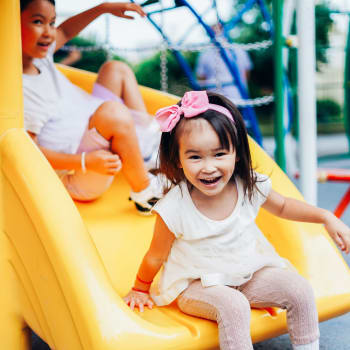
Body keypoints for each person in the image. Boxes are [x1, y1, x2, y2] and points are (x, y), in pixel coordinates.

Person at [123, 90, 350, 350]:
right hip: (196, 285)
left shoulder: (248, 185)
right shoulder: (174, 207)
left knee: (299, 290)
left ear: (237, 153)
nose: (208, 167)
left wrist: (326, 217)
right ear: (178, 160)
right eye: (195, 157)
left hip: (246, 274)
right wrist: (140, 288)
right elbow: (155, 256)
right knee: (234, 306)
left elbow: (285, 206)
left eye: (219, 154)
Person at [20, 0, 162, 214]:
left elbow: (66, 31)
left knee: (115, 69)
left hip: (92, 125)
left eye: (51, 22)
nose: (49, 32)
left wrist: (103, 8)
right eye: (38, 22)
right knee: (112, 113)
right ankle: (144, 192)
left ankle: (146, 146)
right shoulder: (17, 87)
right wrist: (85, 161)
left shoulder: (40, 56)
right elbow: (27, 152)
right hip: (80, 171)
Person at [196, 23, 252, 103]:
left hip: (232, 98)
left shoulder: (205, 53)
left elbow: (201, 78)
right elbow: (246, 73)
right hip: (228, 98)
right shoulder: (239, 50)